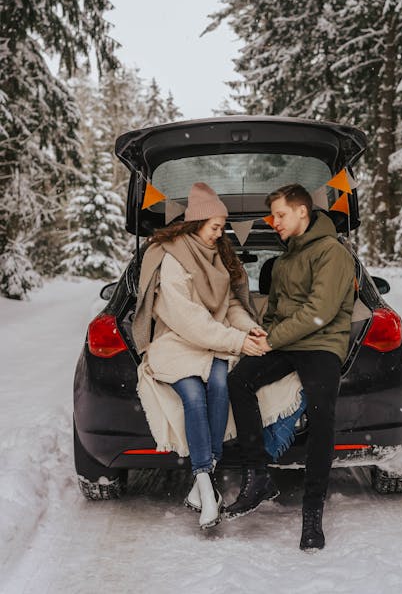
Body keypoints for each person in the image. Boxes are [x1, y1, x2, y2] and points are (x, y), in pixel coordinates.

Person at [225, 183, 355, 551]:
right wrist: (259, 332)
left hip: (320, 344)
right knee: (239, 381)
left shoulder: (332, 252)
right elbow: (278, 311)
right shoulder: (282, 261)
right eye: (272, 215)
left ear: (302, 211)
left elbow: (319, 313)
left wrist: (272, 339)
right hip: (286, 342)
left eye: (280, 215)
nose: (274, 221)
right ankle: (258, 475)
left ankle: (312, 513)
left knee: (321, 414)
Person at [132, 182, 266, 530]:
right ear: (197, 222)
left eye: (223, 228)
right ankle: (206, 482)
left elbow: (231, 304)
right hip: (177, 340)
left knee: (219, 386)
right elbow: (188, 319)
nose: (220, 234)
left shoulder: (220, 256)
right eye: (215, 227)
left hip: (213, 340)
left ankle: (203, 484)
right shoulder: (173, 257)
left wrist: (248, 328)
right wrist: (237, 342)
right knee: (193, 396)